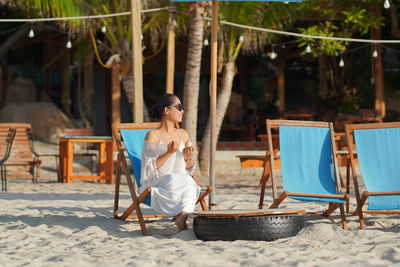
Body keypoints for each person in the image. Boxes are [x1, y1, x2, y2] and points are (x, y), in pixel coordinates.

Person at [140, 93, 200, 232]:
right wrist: (169, 152)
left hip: (180, 183)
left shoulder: (183, 134)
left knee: (190, 183)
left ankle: (183, 215)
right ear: (166, 111)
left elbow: (190, 168)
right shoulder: (153, 135)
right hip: (158, 182)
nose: (182, 111)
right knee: (179, 180)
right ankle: (182, 215)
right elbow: (149, 170)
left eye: (182, 107)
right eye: (179, 107)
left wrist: (187, 158)